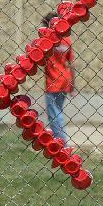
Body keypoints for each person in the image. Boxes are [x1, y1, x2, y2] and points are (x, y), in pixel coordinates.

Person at [42, 11, 75, 143]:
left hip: (53, 80)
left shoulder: (47, 41)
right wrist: (73, 84)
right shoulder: (66, 40)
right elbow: (72, 63)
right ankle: (59, 141)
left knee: (54, 114)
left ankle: (61, 143)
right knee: (58, 111)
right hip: (66, 79)